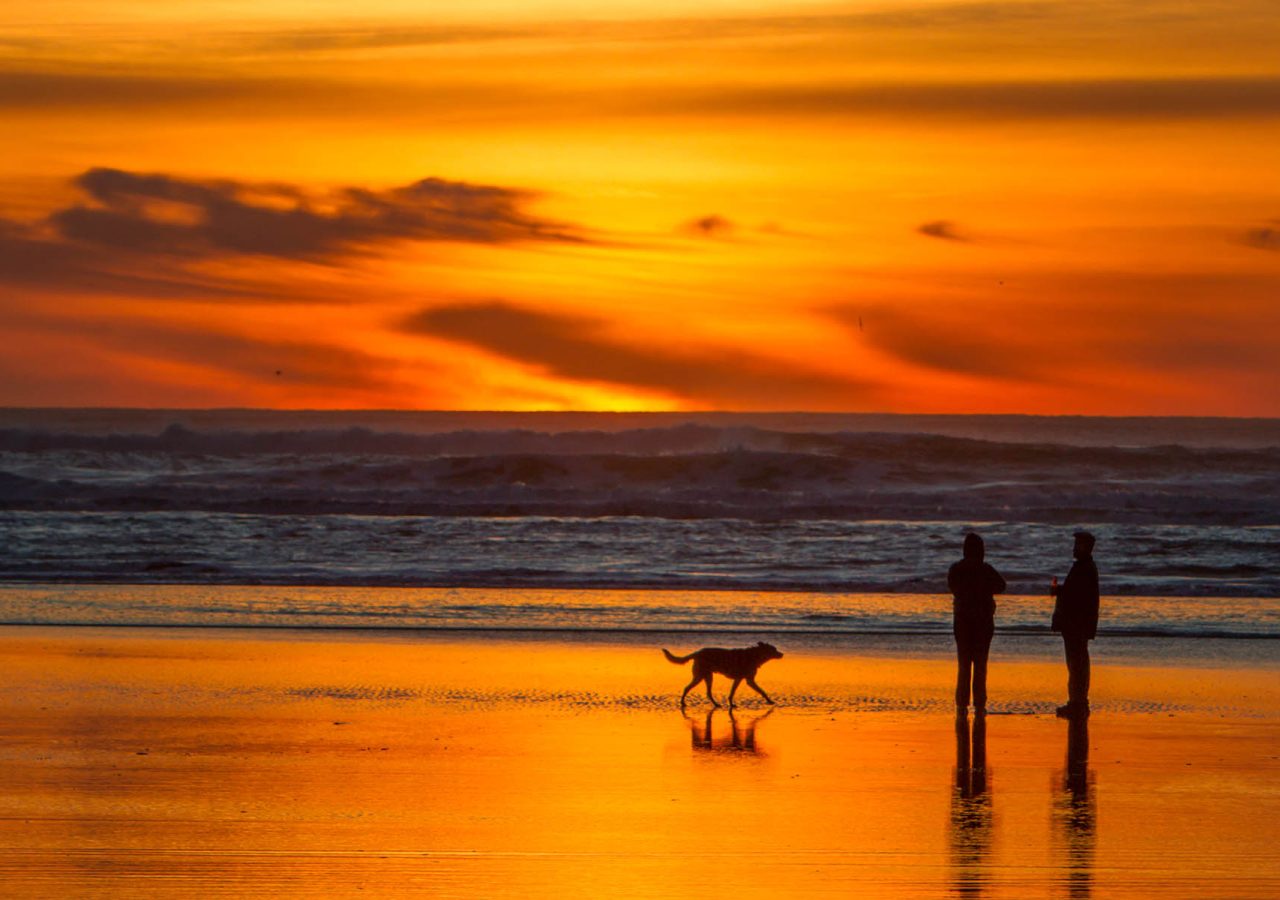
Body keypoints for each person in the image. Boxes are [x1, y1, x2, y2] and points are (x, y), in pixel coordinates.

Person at [948, 533, 1006, 715]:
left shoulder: (956, 569)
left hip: (962, 622)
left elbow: (952, 586)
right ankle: (980, 703)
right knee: (980, 665)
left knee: (964, 664)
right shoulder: (985, 569)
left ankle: (962, 704)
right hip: (983, 622)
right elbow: (1001, 586)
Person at [1050, 531, 1100, 718]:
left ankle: (1077, 704)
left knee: (1076, 664)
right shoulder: (1085, 567)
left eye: (1078, 544)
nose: (1074, 548)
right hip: (1078, 623)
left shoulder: (1084, 568)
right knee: (1078, 663)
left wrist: (1059, 592)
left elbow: (1076, 597)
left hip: (1075, 624)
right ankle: (1079, 703)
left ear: (1086, 547)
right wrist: (1061, 591)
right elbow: (1075, 593)